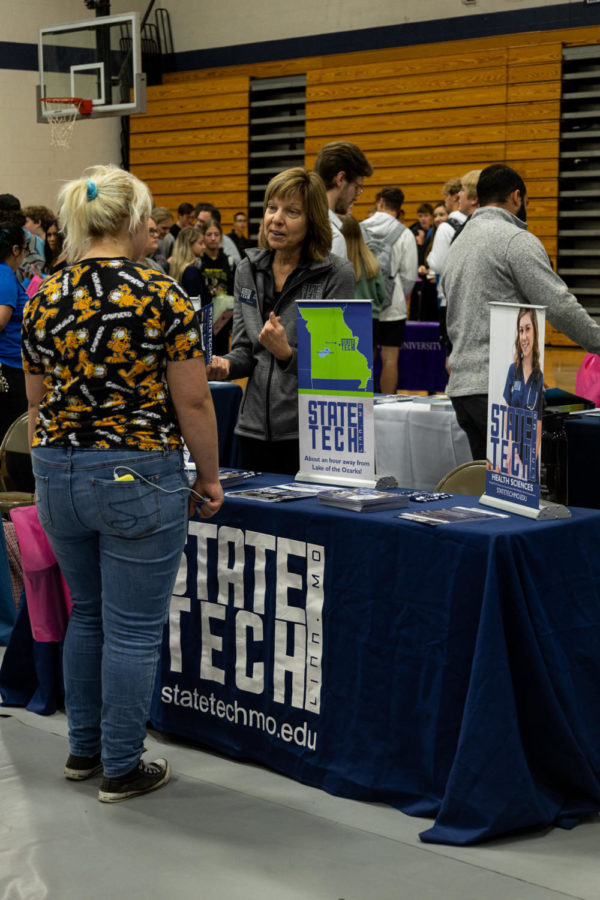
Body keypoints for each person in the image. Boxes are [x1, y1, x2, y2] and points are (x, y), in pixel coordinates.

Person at [22, 164, 223, 803]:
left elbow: (34, 399)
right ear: (136, 223)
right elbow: (193, 403)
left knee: (88, 613)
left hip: (57, 467)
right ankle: (121, 764)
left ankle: (83, 750)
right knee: (133, 628)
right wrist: (210, 476)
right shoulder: (163, 295)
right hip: (138, 467)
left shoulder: (43, 294)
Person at [442, 163, 600, 460]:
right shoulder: (515, 239)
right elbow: (560, 306)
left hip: (463, 388)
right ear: (516, 197)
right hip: (503, 389)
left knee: (487, 489)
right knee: (519, 494)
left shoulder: (458, 242)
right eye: (526, 202)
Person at [206, 167, 355, 475]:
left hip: (309, 432)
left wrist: (287, 354)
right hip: (252, 429)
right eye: (272, 208)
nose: (277, 218)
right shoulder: (247, 270)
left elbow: (338, 366)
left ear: (312, 219)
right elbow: (247, 350)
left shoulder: (336, 275)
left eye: (292, 212)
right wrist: (225, 365)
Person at [360, 187, 418, 394]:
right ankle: (387, 404)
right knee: (390, 359)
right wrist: (398, 294)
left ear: (380, 202)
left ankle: (362, 402)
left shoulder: (358, 229)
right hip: (393, 305)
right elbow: (410, 276)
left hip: (363, 305)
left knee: (363, 358)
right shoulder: (406, 234)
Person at [501, 307, 544, 480]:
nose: (524, 336)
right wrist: (510, 446)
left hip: (531, 452)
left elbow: (539, 420)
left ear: (535, 332)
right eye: (521, 330)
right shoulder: (513, 370)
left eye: (528, 329)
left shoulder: (540, 376)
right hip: (512, 452)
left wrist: (532, 459)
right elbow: (508, 411)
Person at [0, 218, 30, 460]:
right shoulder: (5, 274)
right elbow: (1, 320)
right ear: (15, 250)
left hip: (10, 364)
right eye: (25, 248)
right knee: (11, 437)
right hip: (9, 367)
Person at [313, 141, 373, 260]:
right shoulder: (333, 238)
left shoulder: (293, 222)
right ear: (340, 179)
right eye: (356, 187)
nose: (356, 197)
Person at [340, 213, 386, 325]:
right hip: (370, 318)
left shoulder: (338, 264)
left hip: (344, 318)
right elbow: (382, 294)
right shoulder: (371, 261)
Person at [170, 224, 211, 307]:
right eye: (200, 243)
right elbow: (197, 305)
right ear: (189, 245)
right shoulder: (190, 271)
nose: (204, 247)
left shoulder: (180, 268)